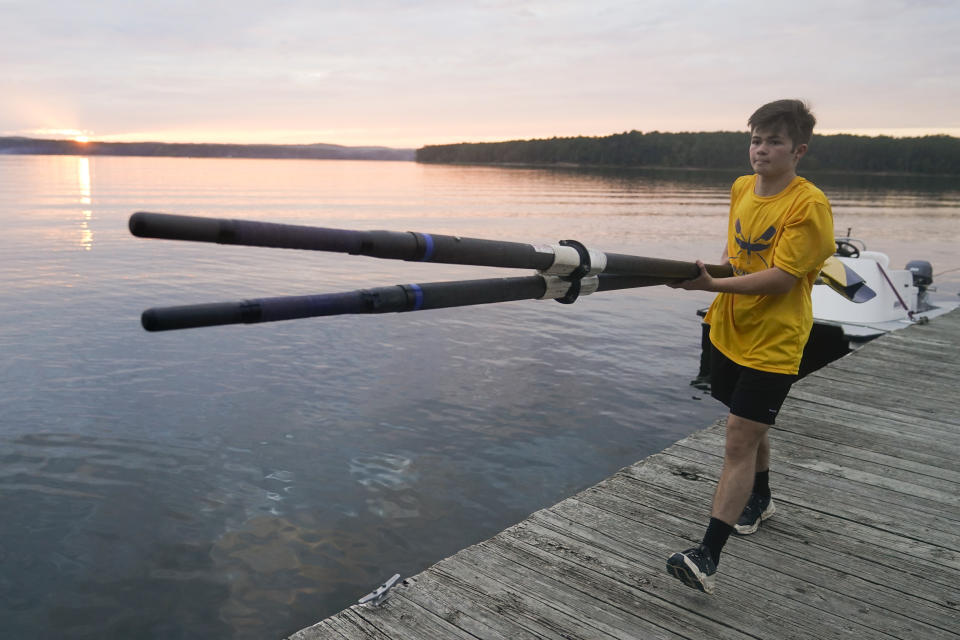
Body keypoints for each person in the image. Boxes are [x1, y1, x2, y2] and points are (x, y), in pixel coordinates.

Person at [665, 99, 835, 594]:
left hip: (775, 342)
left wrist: (708, 287)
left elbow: (782, 279)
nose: (761, 149)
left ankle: (707, 556)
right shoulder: (742, 187)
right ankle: (761, 498)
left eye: (774, 141)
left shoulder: (809, 205)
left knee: (739, 437)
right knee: (746, 423)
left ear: (798, 150)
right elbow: (734, 257)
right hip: (730, 330)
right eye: (756, 139)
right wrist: (701, 276)